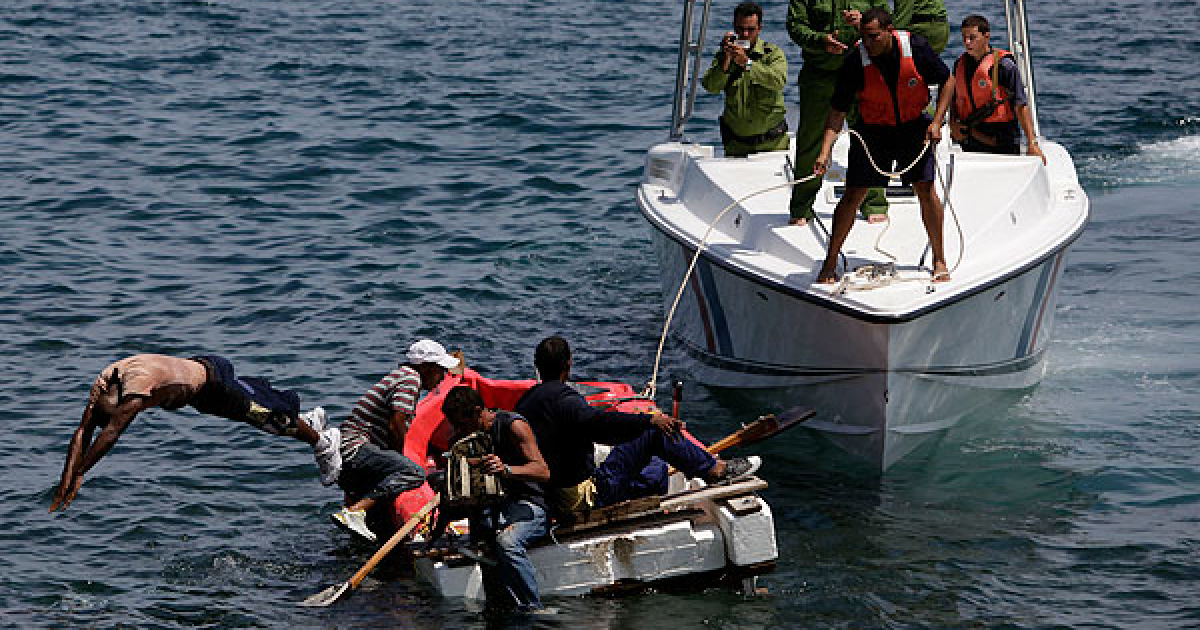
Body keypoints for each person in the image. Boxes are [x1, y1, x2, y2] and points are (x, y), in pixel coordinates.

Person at [49, 354, 340, 512]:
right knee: (265, 411)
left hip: (214, 382)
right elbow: (82, 431)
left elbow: (111, 434)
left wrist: (80, 472)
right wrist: (67, 477)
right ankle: (307, 419)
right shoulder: (105, 381)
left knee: (273, 419)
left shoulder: (136, 392)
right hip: (196, 392)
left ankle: (323, 441)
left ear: (125, 406)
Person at [514, 336, 761, 515]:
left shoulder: (525, 403)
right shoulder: (566, 401)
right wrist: (649, 419)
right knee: (653, 433)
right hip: (584, 498)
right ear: (569, 365)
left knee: (654, 470)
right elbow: (600, 425)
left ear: (537, 366)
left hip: (552, 495)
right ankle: (715, 470)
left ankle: (671, 475)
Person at [813, 8, 952, 284]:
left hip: (914, 128)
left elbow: (948, 81)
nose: (868, 43)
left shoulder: (917, 47)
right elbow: (837, 111)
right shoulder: (856, 60)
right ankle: (830, 261)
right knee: (853, 195)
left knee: (925, 189)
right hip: (873, 131)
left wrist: (937, 121)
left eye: (874, 36)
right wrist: (824, 150)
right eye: (864, 37)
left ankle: (939, 258)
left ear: (889, 31)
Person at [330, 339, 458, 542]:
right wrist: (399, 457)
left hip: (351, 446)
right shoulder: (411, 379)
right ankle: (356, 511)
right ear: (426, 368)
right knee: (413, 472)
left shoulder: (401, 375)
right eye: (440, 370)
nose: (442, 377)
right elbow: (396, 423)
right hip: (356, 447)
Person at [440, 385, 551, 613]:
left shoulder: (513, 426)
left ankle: (533, 607)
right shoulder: (465, 438)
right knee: (481, 533)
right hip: (495, 506)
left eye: (461, 423)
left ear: (478, 411)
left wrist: (507, 470)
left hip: (531, 504)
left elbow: (543, 471)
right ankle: (498, 603)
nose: (458, 430)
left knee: (508, 543)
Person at [786, 0, 891, 227]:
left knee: (868, 136)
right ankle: (802, 206)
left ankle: (874, 202)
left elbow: (886, 19)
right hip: (819, 73)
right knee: (810, 141)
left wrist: (863, 22)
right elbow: (796, 25)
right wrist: (821, 41)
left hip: (862, 70)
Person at [931, 14, 1045, 162]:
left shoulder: (1004, 66)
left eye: (972, 38)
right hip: (970, 138)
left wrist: (1032, 143)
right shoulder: (960, 64)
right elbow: (954, 98)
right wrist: (953, 123)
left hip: (1000, 137)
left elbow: (1020, 105)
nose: (967, 42)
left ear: (986, 36)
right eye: (964, 38)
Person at [701, 2, 790, 158]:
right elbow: (711, 87)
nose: (746, 35)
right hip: (737, 147)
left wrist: (747, 64)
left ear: (760, 28)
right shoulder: (725, 55)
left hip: (773, 146)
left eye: (751, 29)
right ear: (734, 27)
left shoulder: (772, 54)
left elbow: (778, 80)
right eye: (741, 29)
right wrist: (726, 61)